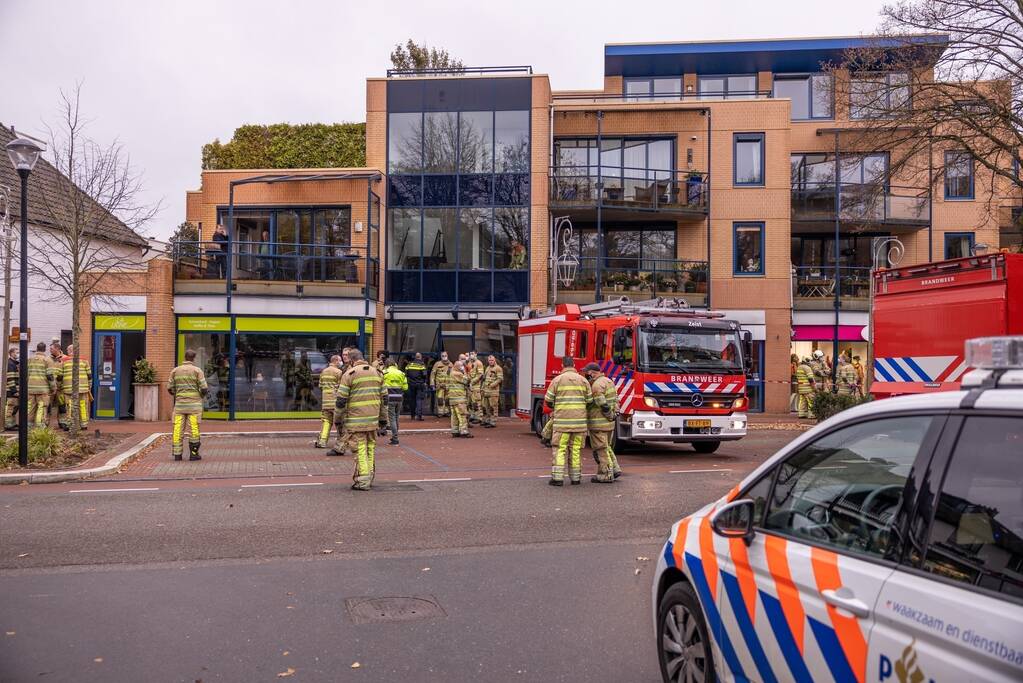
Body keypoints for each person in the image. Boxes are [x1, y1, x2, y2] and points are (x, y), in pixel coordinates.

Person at [334, 350, 386, 491]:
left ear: (351, 360)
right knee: (370, 447)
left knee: (360, 449)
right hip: (373, 421)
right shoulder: (377, 373)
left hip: (356, 421)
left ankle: (363, 481)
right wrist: (383, 420)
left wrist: (337, 420)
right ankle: (370, 476)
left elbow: (340, 401)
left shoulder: (349, 374)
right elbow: (384, 399)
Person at [544, 356, 593, 486]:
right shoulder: (583, 380)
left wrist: (557, 407)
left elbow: (548, 400)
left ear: (562, 365)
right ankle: (576, 478)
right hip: (579, 424)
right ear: (574, 364)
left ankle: (558, 479)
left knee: (560, 449)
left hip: (562, 425)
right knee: (575, 449)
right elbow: (589, 401)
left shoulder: (557, 380)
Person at [168, 349, 208, 461]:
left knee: (177, 429)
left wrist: (177, 395)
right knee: (194, 429)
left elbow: (170, 388)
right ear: (194, 358)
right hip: (194, 406)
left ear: (185, 357)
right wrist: (200, 396)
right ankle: (194, 454)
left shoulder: (175, 371)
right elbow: (204, 388)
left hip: (180, 406)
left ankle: (177, 455)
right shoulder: (197, 371)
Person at [583, 362, 620, 483]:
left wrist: (609, 415)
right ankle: (615, 469)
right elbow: (616, 399)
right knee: (606, 447)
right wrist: (614, 415)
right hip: (609, 424)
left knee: (600, 449)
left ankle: (605, 474)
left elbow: (602, 404)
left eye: (586, 373)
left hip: (599, 423)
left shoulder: (596, 385)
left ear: (591, 373)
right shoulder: (609, 381)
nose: (585, 375)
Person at [57, 344, 91, 430]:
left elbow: (60, 376)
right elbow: (89, 375)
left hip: (68, 388)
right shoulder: (84, 360)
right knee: (83, 405)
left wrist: (59, 386)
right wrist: (89, 386)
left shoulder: (63, 360)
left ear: (69, 351)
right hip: (83, 388)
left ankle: (70, 424)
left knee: (70, 406)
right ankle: (83, 424)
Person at [315, 355, 343, 449]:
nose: (341, 362)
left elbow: (320, 385)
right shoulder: (339, 372)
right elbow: (341, 387)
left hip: (325, 402)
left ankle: (322, 441)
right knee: (339, 423)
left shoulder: (324, 371)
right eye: (340, 360)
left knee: (326, 421)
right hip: (335, 401)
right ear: (335, 361)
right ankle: (341, 443)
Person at [382, 360, 408, 445]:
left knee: (392, 418)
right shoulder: (401, 373)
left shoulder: (384, 373)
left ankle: (395, 438)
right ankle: (395, 436)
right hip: (399, 398)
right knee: (396, 417)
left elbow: (380, 385)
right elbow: (405, 388)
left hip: (390, 398)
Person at [446, 360, 472, 438]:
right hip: (459, 399)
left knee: (454, 416)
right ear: (457, 366)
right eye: (461, 366)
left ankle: (455, 431)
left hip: (453, 399)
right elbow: (467, 380)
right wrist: (466, 371)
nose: (462, 367)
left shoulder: (451, 373)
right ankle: (464, 432)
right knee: (462, 415)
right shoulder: (458, 374)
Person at [481, 355, 504, 428]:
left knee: (493, 406)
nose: (491, 362)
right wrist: (482, 388)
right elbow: (485, 379)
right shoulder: (487, 368)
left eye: (492, 360)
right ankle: (488, 420)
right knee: (486, 407)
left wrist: (492, 385)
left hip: (493, 391)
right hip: (486, 391)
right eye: (489, 360)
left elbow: (500, 379)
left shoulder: (498, 368)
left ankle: (493, 421)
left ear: (495, 360)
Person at [404, 353, 428, 421]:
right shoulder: (422, 365)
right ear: (420, 357)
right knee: (419, 399)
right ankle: (419, 416)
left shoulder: (409, 365)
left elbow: (406, 374)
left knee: (412, 400)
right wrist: (424, 381)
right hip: (419, 384)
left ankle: (412, 416)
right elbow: (424, 375)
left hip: (411, 384)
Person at [429, 352, 452, 417]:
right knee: (440, 399)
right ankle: (440, 412)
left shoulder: (451, 364)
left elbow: (453, 375)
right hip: (440, 386)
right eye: (442, 356)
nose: (444, 356)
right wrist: (432, 384)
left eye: (445, 355)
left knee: (447, 399)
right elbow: (432, 374)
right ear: (441, 356)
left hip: (448, 386)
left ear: (447, 356)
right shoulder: (437, 364)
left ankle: (447, 412)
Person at [467, 351, 484, 424]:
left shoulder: (479, 363)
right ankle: (472, 416)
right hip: (469, 386)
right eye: (470, 354)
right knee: (470, 402)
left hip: (476, 386)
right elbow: (468, 372)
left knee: (476, 402)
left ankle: (479, 417)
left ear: (476, 354)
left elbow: (480, 375)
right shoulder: (469, 363)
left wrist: (473, 381)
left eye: (473, 354)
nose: (471, 355)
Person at [5, 348, 18, 431]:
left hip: (14, 390)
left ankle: (12, 423)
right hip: (11, 391)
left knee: (15, 407)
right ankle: (8, 425)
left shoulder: (14, 363)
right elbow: (10, 378)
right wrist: (14, 391)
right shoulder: (10, 364)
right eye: (17, 352)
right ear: (12, 353)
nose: (18, 354)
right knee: (11, 408)